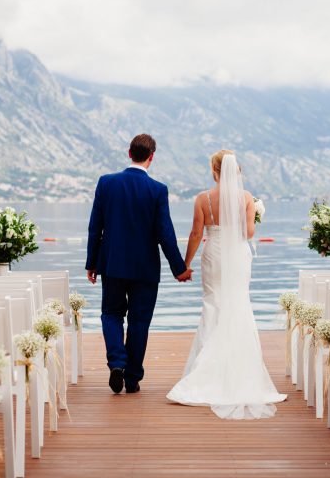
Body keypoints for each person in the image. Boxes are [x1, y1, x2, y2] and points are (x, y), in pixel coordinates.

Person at [167, 150, 286, 419]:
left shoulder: (202, 199)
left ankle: (204, 373)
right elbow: (249, 233)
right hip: (238, 256)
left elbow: (197, 233)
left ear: (214, 170)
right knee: (238, 305)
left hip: (214, 254)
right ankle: (238, 373)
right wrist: (253, 215)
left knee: (213, 305)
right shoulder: (245, 198)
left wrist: (185, 264)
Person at [86, 134, 192, 394]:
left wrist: (92, 262)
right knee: (139, 321)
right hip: (145, 268)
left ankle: (117, 364)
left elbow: (95, 227)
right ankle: (132, 378)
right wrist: (179, 269)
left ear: (129, 153)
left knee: (111, 314)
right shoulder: (157, 190)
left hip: (111, 264)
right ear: (151, 157)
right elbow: (165, 233)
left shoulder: (106, 183)